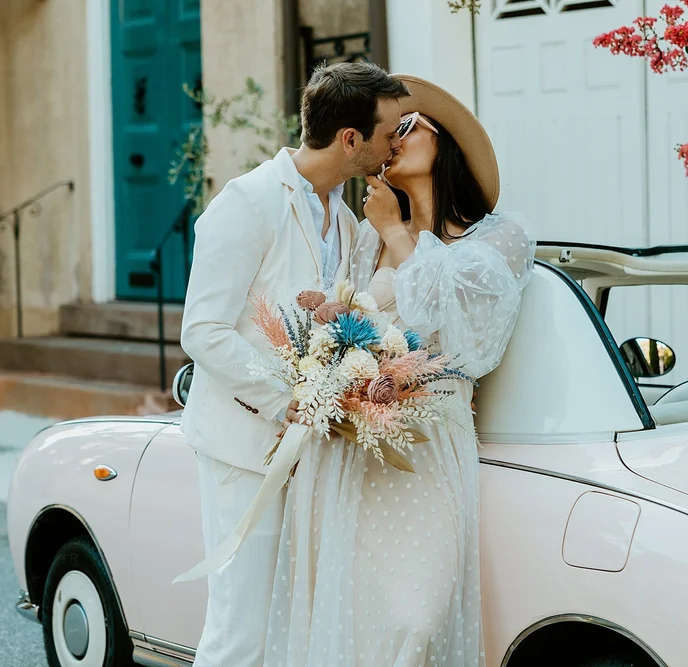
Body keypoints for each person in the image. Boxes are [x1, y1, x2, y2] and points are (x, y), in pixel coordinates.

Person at [267, 74, 535, 666]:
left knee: (418, 617)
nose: (392, 141)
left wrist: (395, 227)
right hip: (352, 448)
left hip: (428, 444)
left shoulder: (500, 237)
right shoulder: (366, 240)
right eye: (388, 132)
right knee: (350, 615)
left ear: (446, 143)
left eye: (406, 127)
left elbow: (466, 335)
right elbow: (345, 322)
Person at [177, 62, 408, 667]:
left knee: (289, 632)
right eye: (388, 133)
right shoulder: (247, 202)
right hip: (243, 448)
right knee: (241, 632)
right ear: (351, 139)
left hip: (314, 456)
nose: (395, 146)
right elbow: (202, 330)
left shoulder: (348, 220)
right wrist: (287, 400)